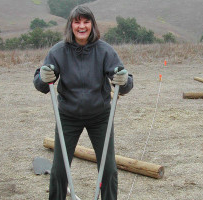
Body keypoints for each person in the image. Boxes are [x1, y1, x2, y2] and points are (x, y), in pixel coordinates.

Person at [33, 5, 133, 200]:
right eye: (77, 21)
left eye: (86, 21)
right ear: (71, 25)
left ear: (92, 25)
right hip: (68, 117)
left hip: (100, 116)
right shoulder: (58, 51)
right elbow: (42, 85)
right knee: (59, 170)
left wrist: (124, 80)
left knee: (109, 169)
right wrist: (43, 77)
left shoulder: (105, 50)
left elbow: (125, 82)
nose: (81, 26)